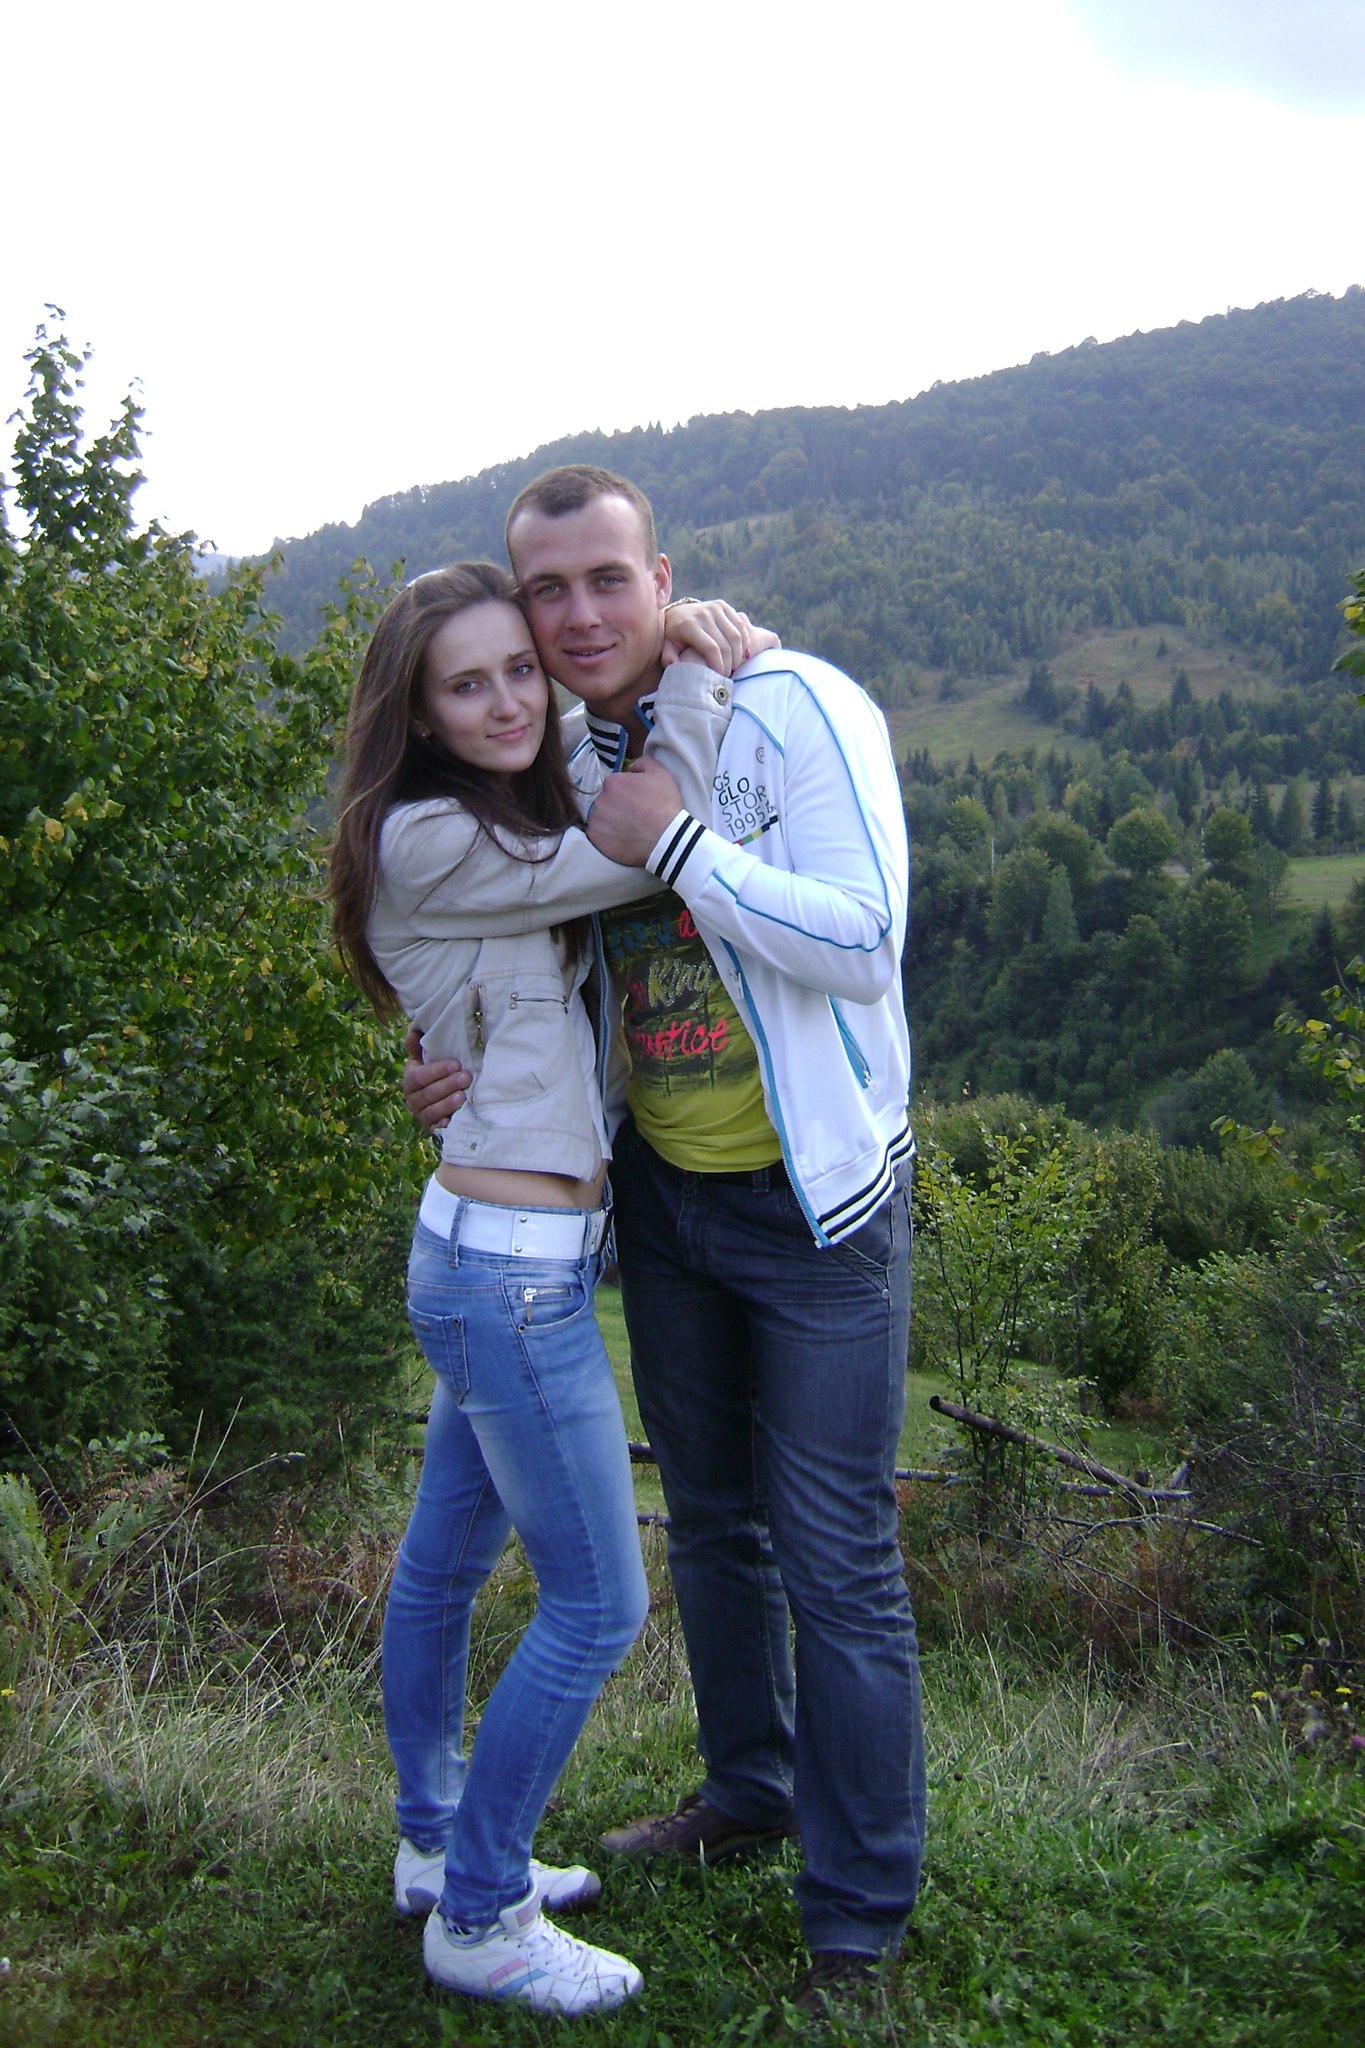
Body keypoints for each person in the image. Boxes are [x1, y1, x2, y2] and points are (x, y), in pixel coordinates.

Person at [404, 467, 924, 2015]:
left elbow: (864, 941)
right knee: (708, 1522)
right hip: (662, 1197)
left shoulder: (794, 707)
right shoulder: (560, 757)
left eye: (604, 579)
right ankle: (748, 1790)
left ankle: (858, 1916)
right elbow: (517, 948)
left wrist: (687, 850)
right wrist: (439, 1057)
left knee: (837, 1557)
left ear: (661, 577)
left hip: (815, 1204)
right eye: (544, 588)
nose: (575, 615)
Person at [328, 559, 737, 2013]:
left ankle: (435, 1847)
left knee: (443, 1567)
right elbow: (647, 852)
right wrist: (692, 682)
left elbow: (562, 761)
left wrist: (647, 642)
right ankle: (484, 1912)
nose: (510, 701)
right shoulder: (431, 832)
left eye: (523, 667)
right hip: (507, 1280)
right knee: (599, 1604)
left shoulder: (488, 805)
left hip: (490, 1254)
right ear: (418, 711)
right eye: (469, 682)